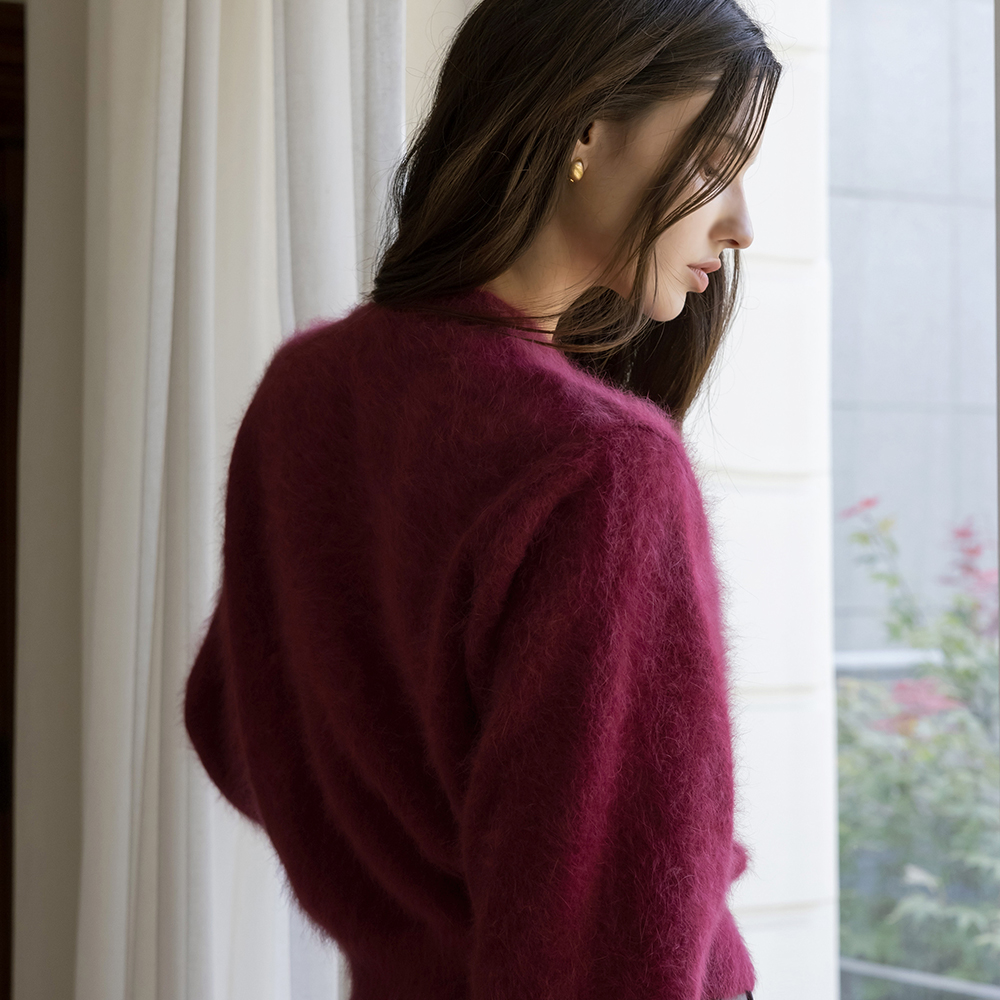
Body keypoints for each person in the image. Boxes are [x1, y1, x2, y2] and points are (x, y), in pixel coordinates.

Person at [183, 1, 781, 998]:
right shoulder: (601, 464)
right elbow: (608, 949)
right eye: (715, 163)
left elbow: (233, 725)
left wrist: (407, 886)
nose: (742, 225)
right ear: (587, 127)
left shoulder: (305, 390)